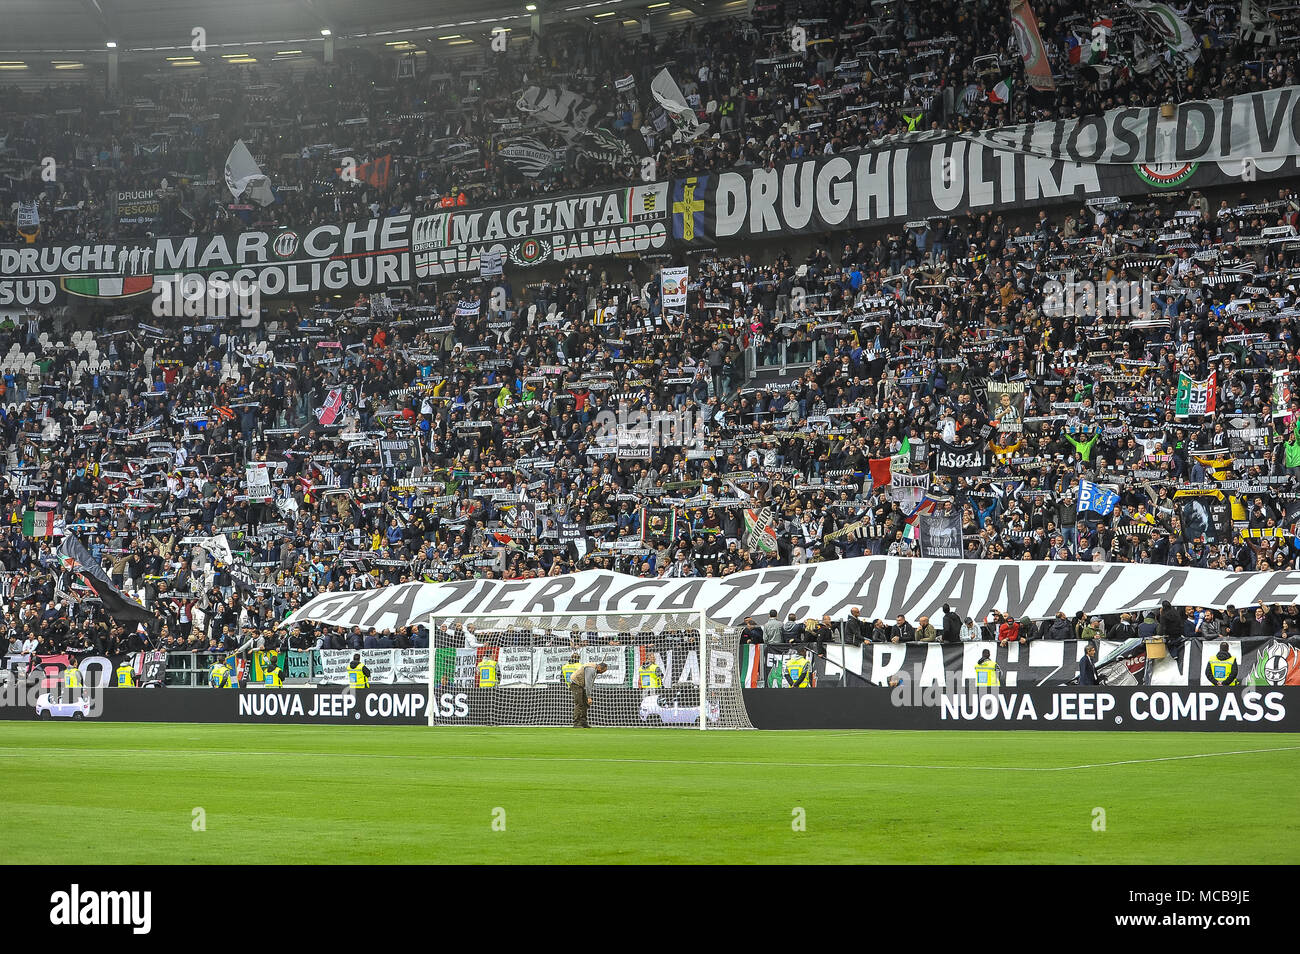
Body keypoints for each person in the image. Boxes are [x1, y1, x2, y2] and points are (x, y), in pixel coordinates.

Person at [569, 661, 608, 728]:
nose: (602, 673)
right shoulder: (591, 670)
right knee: (579, 703)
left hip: (581, 685)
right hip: (576, 684)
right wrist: (589, 697)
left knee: (585, 703)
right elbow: (588, 684)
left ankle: (583, 722)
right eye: (602, 671)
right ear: (599, 667)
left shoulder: (594, 669)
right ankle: (576, 723)